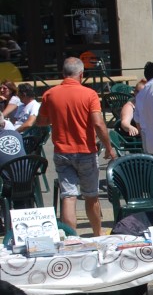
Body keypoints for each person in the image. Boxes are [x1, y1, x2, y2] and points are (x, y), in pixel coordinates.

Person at [35, 57, 115, 236]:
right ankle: (97, 233)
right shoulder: (89, 94)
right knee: (91, 195)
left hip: (62, 151)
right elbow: (99, 123)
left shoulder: (50, 94)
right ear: (81, 74)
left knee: (68, 196)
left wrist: (56, 118)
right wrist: (109, 148)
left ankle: (72, 238)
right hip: (85, 150)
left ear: (63, 73)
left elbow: (40, 121)